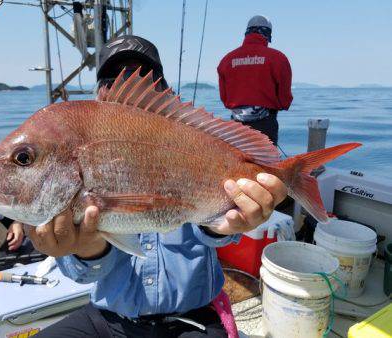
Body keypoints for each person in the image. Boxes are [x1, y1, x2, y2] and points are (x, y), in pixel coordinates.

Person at [28, 35, 288, 338]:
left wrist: (227, 222)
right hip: (111, 318)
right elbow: (81, 273)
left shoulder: (186, 137)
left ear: (163, 92)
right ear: (98, 93)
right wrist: (88, 251)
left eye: (144, 78)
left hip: (191, 318)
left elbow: (216, 234)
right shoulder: (78, 151)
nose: (130, 87)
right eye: (114, 79)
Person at [217, 15, 293, 146]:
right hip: (265, 125)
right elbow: (285, 100)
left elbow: (225, 98)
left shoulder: (226, 60)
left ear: (247, 32)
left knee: (239, 163)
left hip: (235, 126)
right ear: (267, 34)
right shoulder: (278, 58)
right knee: (266, 165)